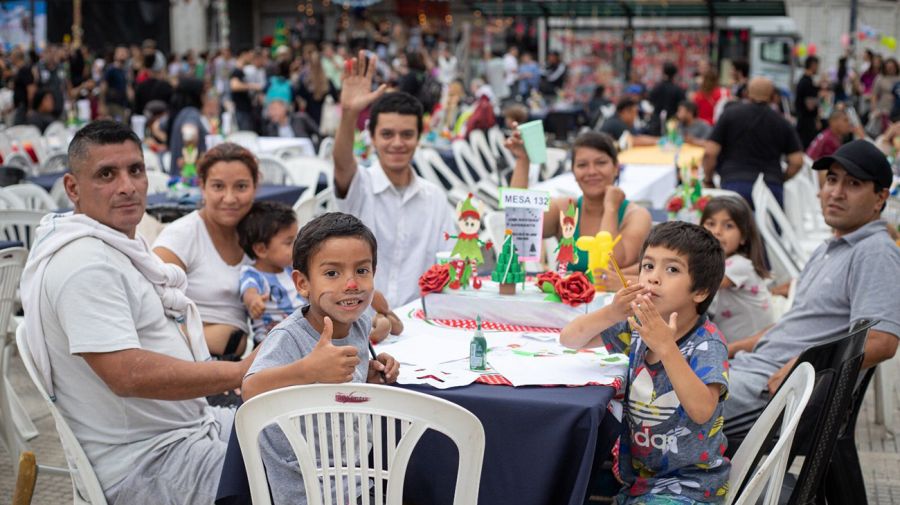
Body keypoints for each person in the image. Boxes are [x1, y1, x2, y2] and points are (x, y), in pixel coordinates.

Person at [20, 120, 249, 504]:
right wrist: (241, 371)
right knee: (297, 474)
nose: (126, 186)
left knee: (301, 434)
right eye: (106, 174)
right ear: (73, 188)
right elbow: (126, 375)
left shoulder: (112, 245)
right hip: (147, 463)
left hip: (186, 433)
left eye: (135, 170)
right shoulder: (84, 264)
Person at [724, 139, 900, 439]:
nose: (836, 192)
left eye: (853, 183)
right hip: (752, 371)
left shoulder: (873, 252)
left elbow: (883, 342)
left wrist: (805, 365)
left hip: (775, 394)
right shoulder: (832, 247)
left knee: (649, 408)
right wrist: (733, 347)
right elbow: (800, 323)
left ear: (880, 197)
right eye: (832, 179)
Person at [561, 221, 730, 503]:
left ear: (700, 291)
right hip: (636, 480)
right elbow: (570, 339)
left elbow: (702, 410)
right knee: (567, 479)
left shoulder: (707, 343)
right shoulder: (635, 327)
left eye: (672, 269)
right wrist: (613, 312)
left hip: (690, 487)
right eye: (648, 266)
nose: (653, 278)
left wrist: (666, 347)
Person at [241, 212, 400, 505]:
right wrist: (307, 370)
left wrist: (369, 373)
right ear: (302, 284)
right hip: (308, 491)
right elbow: (250, 389)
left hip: (356, 476)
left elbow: (338, 383)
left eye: (362, 270)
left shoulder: (360, 322)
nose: (351, 284)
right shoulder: (289, 337)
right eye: (332, 274)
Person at [332, 51, 456, 308]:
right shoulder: (361, 185)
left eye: (407, 134)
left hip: (420, 321)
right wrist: (348, 114)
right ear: (373, 138)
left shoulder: (434, 198)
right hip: (360, 320)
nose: (397, 144)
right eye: (387, 134)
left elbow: (449, 262)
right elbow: (342, 162)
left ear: (419, 137)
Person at [154, 143, 257, 359]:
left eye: (241, 187)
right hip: (188, 360)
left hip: (242, 360)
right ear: (203, 187)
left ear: (255, 188)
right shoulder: (182, 236)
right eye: (218, 187)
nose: (229, 198)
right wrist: (216, 338)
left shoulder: (259, 233)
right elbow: (148, 311)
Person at [508, 130, 652, 271]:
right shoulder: (566, 209)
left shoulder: (636, 216)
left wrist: (611, 209)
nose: (592, 172)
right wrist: (523, 159)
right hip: (567, 294)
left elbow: (611, 265)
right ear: (574, 173)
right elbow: (520, 224)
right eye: (582, 165)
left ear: (616, 168)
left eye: (601, 163)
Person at [703, 77, 804, 207]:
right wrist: (780, 178)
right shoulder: (782, 122)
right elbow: (797, 161)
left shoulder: (730, 114)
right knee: (769, 227)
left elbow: (710, 153)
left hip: (734, 184)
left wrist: (708, 180)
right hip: (770, 187)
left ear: (746, 93)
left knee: (731, 226)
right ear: (773, 96)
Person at [701, 197, 775, 343]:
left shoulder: (740, 265)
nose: (717, 232)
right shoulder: (720, 263)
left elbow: (702, 283)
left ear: (743, 237)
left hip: (752, 346)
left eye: (728, 226)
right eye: (710, 224)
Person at [237, 201, 305, 345]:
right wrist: (253, 301)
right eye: (289, 242)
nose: (296, 246)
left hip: (300, 335)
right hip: (270, 343)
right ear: (261, 249)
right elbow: (249, 290)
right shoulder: (253, 274)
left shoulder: (291, 268)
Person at [165, 77, 208, 174]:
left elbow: (157, 126)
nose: (206, 97)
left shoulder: (179, 113)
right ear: (197, 95)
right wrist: (191, 162)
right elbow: (189, 133)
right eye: (204, 93)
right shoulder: (191, 113)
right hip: (188, 180)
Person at [648, 61, 686, 136]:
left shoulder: (657, 87)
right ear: (675, 74)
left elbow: (650, 100)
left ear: (663, 72)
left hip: (657, 121)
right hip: (672, 121)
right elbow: (683, 104)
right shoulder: (678, 89)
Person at [795, 55, 821, 148]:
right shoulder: (807, 83)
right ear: (813, 65)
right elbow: (810, 105)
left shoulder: (803, 81)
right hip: (806, 123)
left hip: (803, 120)